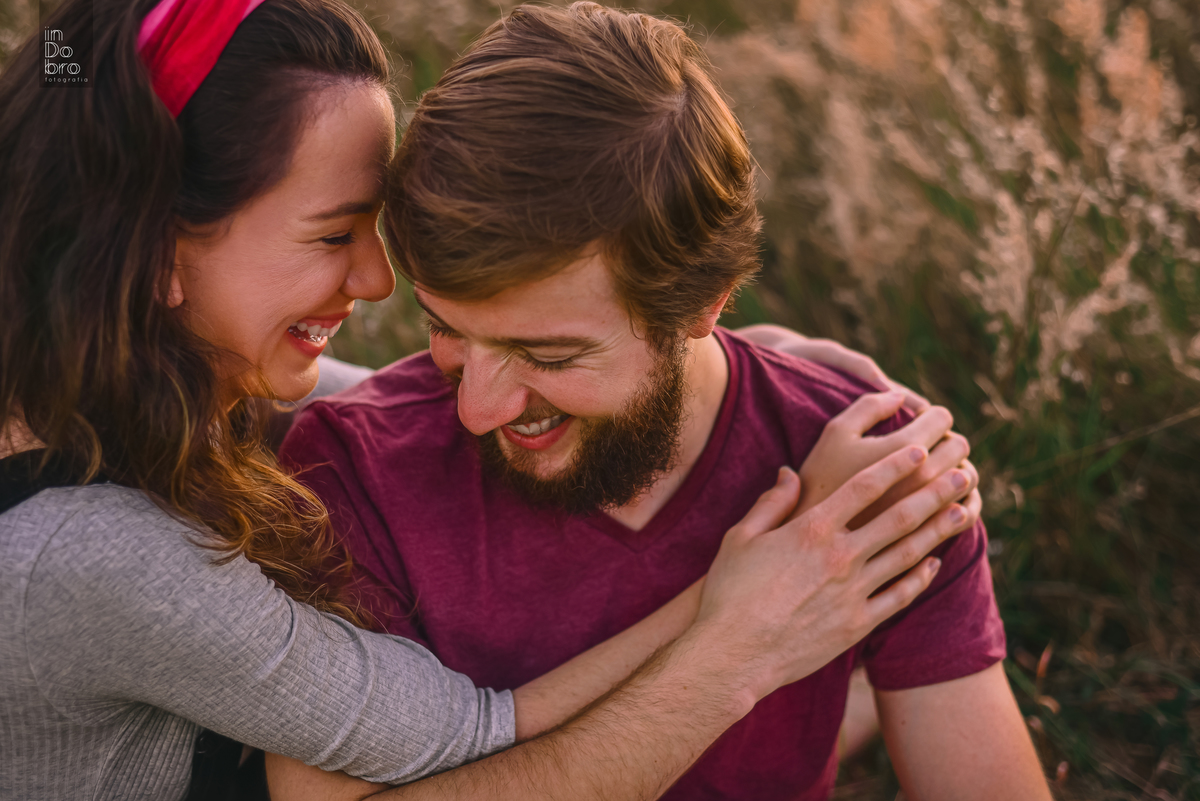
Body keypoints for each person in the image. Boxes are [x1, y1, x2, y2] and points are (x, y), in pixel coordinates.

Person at [0, 0, 993, 799]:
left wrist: (758, 365)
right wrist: (749, 621)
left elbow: (384, 410)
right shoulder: (82, 553)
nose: (376, 279)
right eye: (333, 231)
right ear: (163, 250)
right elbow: (460, 731)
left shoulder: (102, 381)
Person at [273, 5, 1052, 800]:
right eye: (449, 330)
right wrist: (737, 649)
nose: (478, 408)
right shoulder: (345, 472)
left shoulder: (862, 473)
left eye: (548, 354)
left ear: (702, 303)